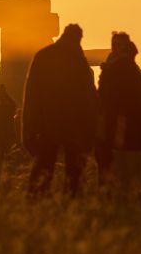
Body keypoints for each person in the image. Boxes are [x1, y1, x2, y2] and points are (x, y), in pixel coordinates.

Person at [22, 24, 97, 197]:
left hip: (47, 124)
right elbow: (89, 97)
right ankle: (71, 204)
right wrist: (91, 128)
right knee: (74, 175)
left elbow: (32, 95)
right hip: (72, 125)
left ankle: (36, 204)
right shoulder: (78, 60)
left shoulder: (43, 56)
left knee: (43, 171)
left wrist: (28, 126)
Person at [97, 33, 141, 192]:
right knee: (132, 180)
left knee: (120, 180)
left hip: (121, 133)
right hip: (134, 134)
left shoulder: (119, 70)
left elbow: (112, 103)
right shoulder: (131, 70)